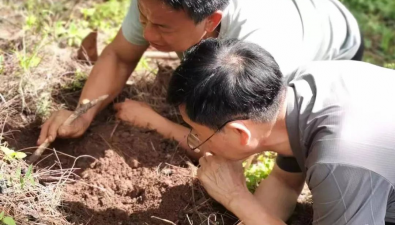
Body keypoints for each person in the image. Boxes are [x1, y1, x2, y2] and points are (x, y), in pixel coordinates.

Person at [38, 0, 363, 153]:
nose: (146, 31)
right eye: (143, 17)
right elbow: (120, 56)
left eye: (162, 27)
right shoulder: (159, 5)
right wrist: (83, 111)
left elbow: (239, 144)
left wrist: (155, 121)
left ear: (211, 22)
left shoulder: (259, 52)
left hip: (336, 46)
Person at [158, 39, 394, 224]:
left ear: (241, 133)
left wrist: (236, 197)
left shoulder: (340, 161)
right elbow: (285, 182)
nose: (198, 143)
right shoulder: (299, 89)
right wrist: (248, 212)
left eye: (199, 134)